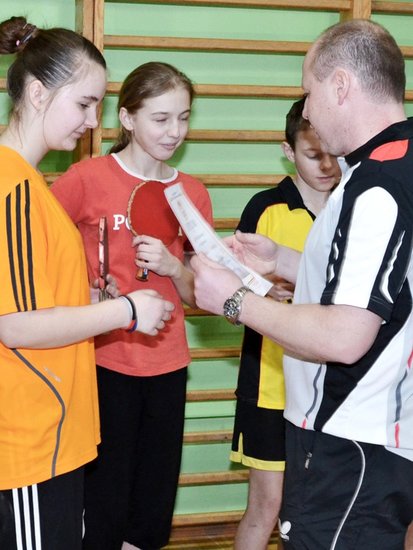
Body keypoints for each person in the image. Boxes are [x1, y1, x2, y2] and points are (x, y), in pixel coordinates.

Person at [190, 19, 413, 549]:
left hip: (350, 438)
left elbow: (345, 335)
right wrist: (285, 260)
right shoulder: (395, 165)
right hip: (378, 435)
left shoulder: (375, 187)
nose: (307, 111)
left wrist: (234, 301)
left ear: (341, 85)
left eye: (309, 92)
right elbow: (384, 281)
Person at [0, 17, 174, 550]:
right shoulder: (13, 188)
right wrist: (126, 312)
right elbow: (14, 325)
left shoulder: (31, 185)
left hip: (51, 438)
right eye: (84, 103)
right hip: (29, 442)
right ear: (37, 93)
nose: (94, 120)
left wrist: (89, 300)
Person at [51, 61, 213, 550]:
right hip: (102, 363)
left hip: (168, 367)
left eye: (183, 117)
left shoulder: (192, 193)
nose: (174, 131)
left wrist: (174, 267)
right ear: (126, 118)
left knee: (151, 512)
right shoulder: (86, 178)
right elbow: (38, 258)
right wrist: (84, 295)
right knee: (103, 506)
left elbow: (198, 294)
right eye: (160, 118)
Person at [231, 97, 340, 550]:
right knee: (267, 505)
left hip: (332, 387)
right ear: (288, 151)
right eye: (313, 155)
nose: (326, 165)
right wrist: (261, 292)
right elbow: (229, 284)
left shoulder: (356, 205)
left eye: (332, 153)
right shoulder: (266, 208)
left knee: (321, 508)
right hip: (271, 387)